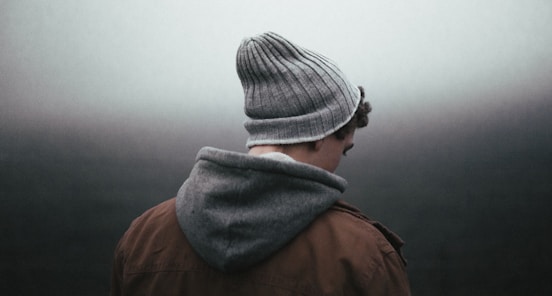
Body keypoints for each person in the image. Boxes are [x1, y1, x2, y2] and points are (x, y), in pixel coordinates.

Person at [110, 32, 411, 295]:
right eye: (343, 150)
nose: (339, 163)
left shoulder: (143, 238)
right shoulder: (362, 255)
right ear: (320, 133)